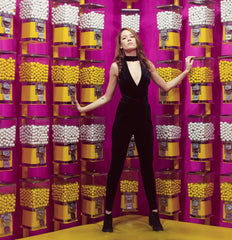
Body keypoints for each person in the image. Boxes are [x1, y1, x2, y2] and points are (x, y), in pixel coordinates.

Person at [75, 28, 194, 232]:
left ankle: (154, 214)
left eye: (131, 36)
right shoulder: (116, 66)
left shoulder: (148, 64)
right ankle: (108, 215)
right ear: (120, 45)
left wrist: (185, 72)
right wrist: (82, 108)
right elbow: (107, 97)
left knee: (147, 166)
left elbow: (165, 86)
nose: (128, 39)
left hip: (143, 118)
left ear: (136, 41)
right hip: (123, 118)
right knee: (116, 166)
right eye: (124, 38)